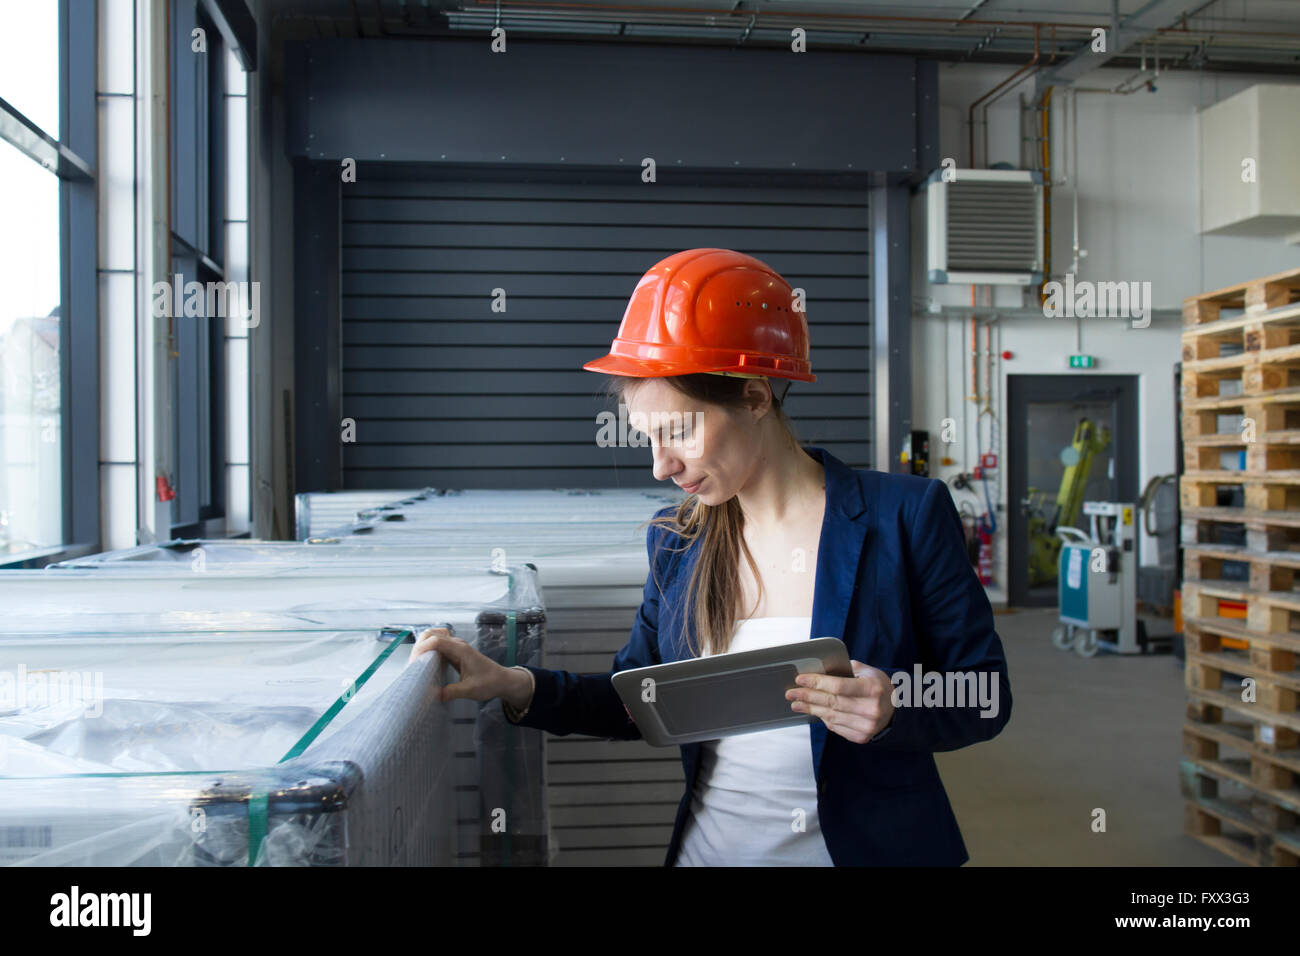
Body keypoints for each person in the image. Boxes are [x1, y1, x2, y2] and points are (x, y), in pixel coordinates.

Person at [410, 248, 1012, 866]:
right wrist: (515, 684)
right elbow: (636, 698)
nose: (660, 467)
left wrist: (896, 705)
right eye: (649, 440)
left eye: (680, 432)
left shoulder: (905, 517)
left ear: (754, 398)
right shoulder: (678, 540)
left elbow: (983, 693)